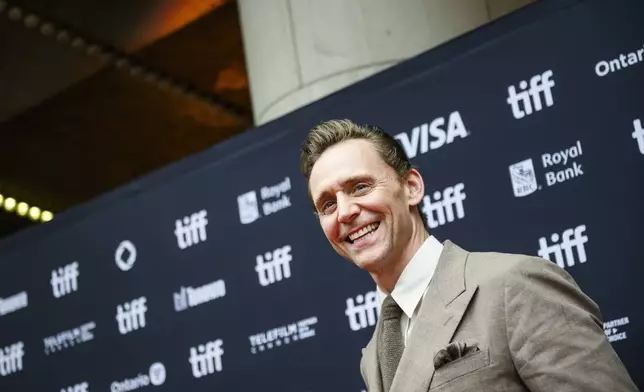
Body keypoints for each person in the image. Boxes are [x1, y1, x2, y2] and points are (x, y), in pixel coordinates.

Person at [299, 119, 639, 392]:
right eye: (327, 204)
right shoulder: (373, 353)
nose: (344, 212)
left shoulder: (513, 285)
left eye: (360, 187)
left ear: (412, 187)